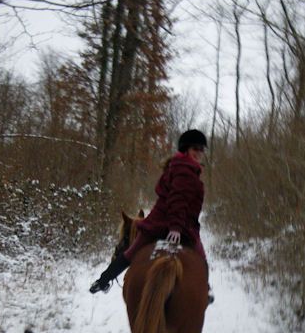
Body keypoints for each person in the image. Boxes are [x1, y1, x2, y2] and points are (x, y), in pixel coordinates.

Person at [89, 129, 213, 303]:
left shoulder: (178, 166)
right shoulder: (185, 170)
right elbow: (177, 199)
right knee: (201, 258)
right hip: (181, 226)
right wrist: (176, 228)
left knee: (130, 254)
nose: (199, 152)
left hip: (156, 223)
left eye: (201, 149)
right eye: (195, 148)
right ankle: (206, 290)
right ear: (186, 149)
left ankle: (102, 281)